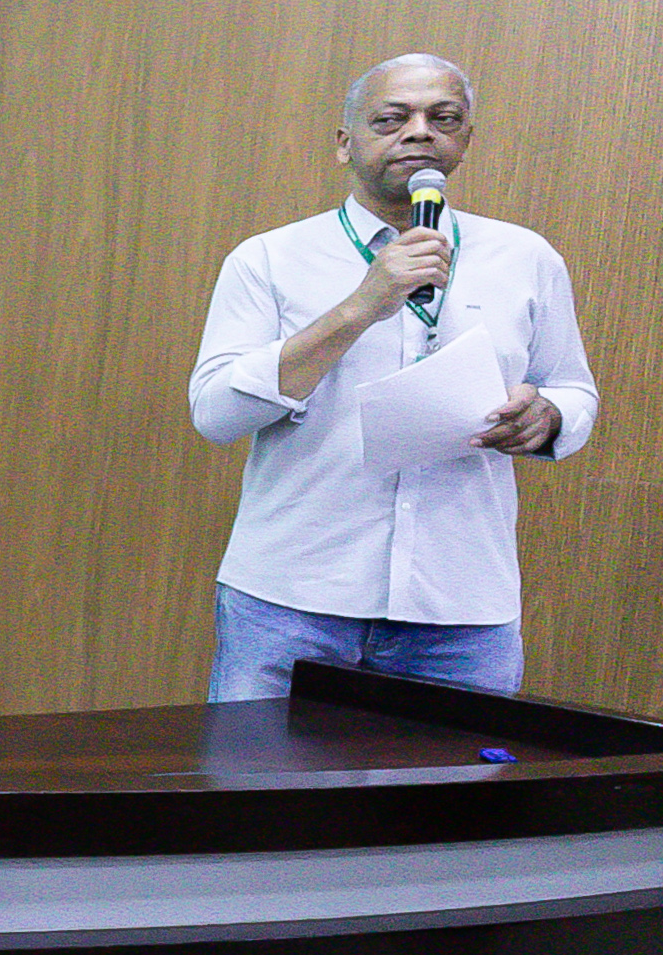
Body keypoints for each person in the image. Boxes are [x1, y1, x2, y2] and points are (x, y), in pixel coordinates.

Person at [190, 54, 599, 699]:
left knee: (457, 771)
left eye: (444, 118)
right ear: (345, 143)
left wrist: (546, 416)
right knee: (259, 767)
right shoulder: (269, 258)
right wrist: (360, 307)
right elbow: (215, 414)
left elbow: (573, 389)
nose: (419, 132)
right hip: (293, 596)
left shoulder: (525, 258)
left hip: (460, 604)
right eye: (391, 119)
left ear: (465, 139)